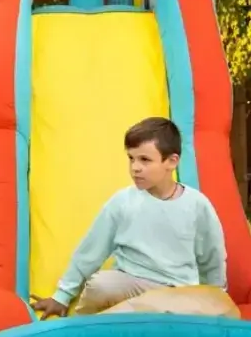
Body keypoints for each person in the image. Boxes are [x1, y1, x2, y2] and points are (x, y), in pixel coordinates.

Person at [30, 116, 227, 319]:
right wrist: (62, 296)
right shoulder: (123, 201)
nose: (135, 167)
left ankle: (140, 321)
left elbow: (212, 258)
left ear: (171, 162)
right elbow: (90, 251)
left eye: (145, 160)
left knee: (198, 309)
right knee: (100, 285)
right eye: (131, 158)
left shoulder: (196, 205)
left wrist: (214, 297)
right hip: (130, 283)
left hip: (175, 291)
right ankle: (82, 333)